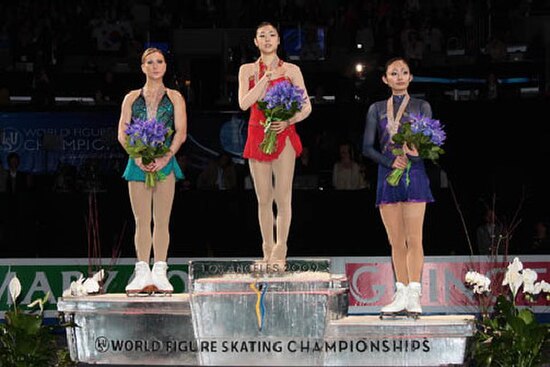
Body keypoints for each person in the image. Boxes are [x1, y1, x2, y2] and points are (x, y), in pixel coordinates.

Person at [362, 57, 433, 318]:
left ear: (411, 77)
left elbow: (427, 142)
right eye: (394, 72)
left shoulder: (422, 106)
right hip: (386, 173)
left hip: (414, 173)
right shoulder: (376, 108)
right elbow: (367, 147)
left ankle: (414, 293)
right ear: (385, 79)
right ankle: (400, 292)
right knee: (395, 240)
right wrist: (390, 160)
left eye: (404, 72)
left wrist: (414, 152)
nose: (400, 76)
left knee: (414, 237)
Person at [238, 21, 312, 269]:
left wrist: (288, 120)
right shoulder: (246, 70)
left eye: (272, 35)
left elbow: (306, 106)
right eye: (262, 35)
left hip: (284, 134)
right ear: (255, 42)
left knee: (283, 196)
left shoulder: (291, 70)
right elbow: (244, 103)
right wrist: (264, 79)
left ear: (279, 40)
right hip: (257, 133)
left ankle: (281, 250)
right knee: (263, 198)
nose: (267, 39)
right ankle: (267, 250)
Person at [117, 47, 187, 295]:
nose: (155, 66)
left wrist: (166, 156)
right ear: (143, 67)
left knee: (162, 220)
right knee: (141, 220)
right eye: (150, 62)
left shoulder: (175, 97)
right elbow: (122, 132)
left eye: (159, 61)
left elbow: (180, 132)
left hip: (165, 163)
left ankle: (160, 270)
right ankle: (141, 271)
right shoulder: (131, 98)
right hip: (137, 164)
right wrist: (136, 156)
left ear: (165, 66)